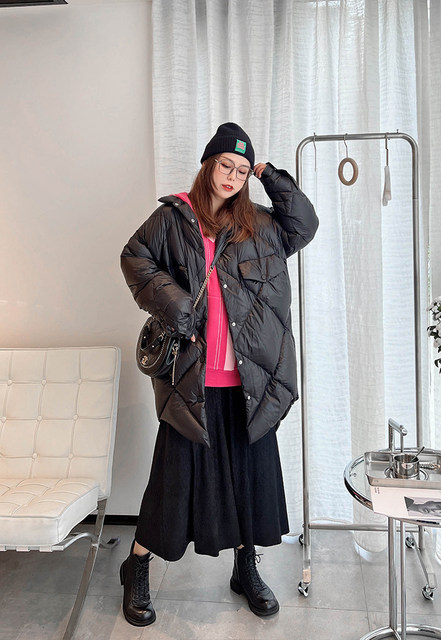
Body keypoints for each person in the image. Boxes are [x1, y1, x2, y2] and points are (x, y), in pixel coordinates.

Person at [120, 122, 318, 627]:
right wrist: (177, 306)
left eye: (243, 170)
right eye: (226, 165)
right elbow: (134, 257)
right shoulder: (173, 218)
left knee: (251, 481)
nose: (232, 176)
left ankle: (245, 569)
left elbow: (304, 224)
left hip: (250, 380)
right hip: (192, 379)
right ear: (209, 165)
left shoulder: (260, 224)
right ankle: (136, 566)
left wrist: (272, 174)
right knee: (172, 483)